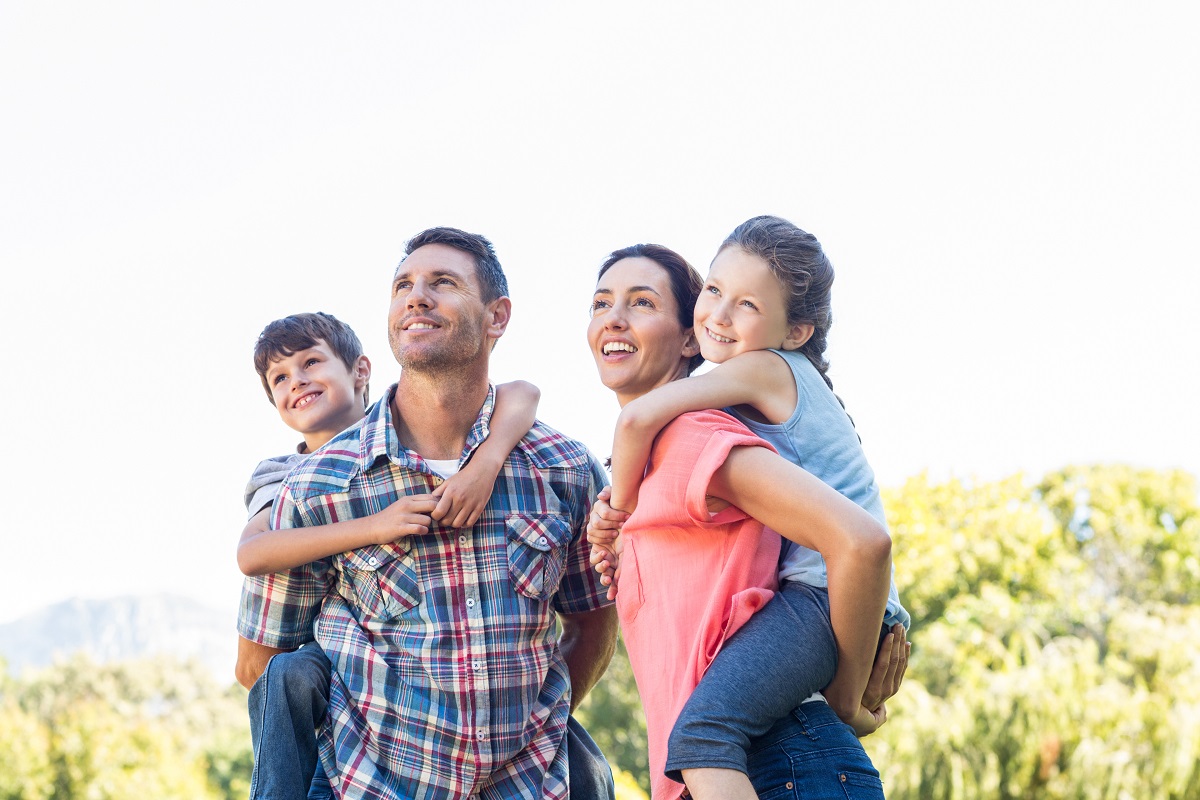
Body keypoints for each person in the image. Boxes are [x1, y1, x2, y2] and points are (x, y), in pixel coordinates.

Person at [236, 227, 619, 800]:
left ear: (497, 317)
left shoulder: (563, 468)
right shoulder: (316, 487)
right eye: (403, 285)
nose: (416, 296)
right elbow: (260, 663)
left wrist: (527, 730)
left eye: (443, 282)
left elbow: (594, 622)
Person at [591, 218, 913, 799]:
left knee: (706, 732)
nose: (614, 318)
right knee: (705, 734)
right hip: (763, 757)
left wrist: (846, 698)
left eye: (642, 302)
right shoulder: (710, 430)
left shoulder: (698, 430)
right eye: (601, 302)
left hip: (780, 754)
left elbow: (861, 541)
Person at [232, 311, 542, 799]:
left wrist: (487, 461)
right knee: (288, 675)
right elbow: (253, 552)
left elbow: (523, 392)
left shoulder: (409, 436)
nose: (298, 381)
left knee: (557, 721)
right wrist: (373, 527)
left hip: (444, 677)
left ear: (360, 370)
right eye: (281, 378)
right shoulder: (284, 474)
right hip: (335, 662)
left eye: (311, 362)